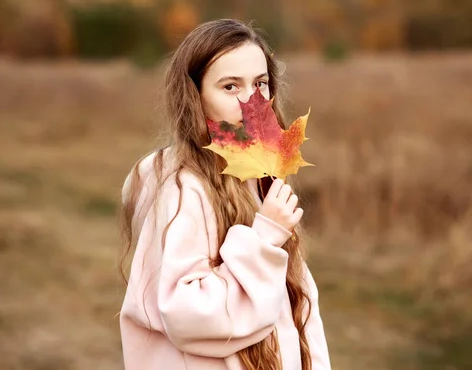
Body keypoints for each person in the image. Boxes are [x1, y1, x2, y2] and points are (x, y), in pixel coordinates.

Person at [118, 19, 331, 370]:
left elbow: (298, 309)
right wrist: (264, 240)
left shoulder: (258, 176)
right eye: (230, 86)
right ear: (195, 96)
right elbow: (188, 313)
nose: (252, 102)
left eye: (260, 84)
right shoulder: (184, 186)